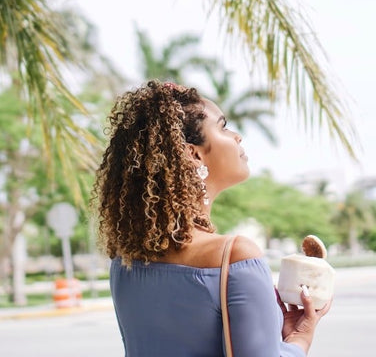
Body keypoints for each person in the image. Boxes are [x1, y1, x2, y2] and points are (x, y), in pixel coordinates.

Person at [93, 80, 331, 357]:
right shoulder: (234, 257)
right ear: (194, 154)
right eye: (223, 127)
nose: (237, 137)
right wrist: (300, 338)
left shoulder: (125, 259)